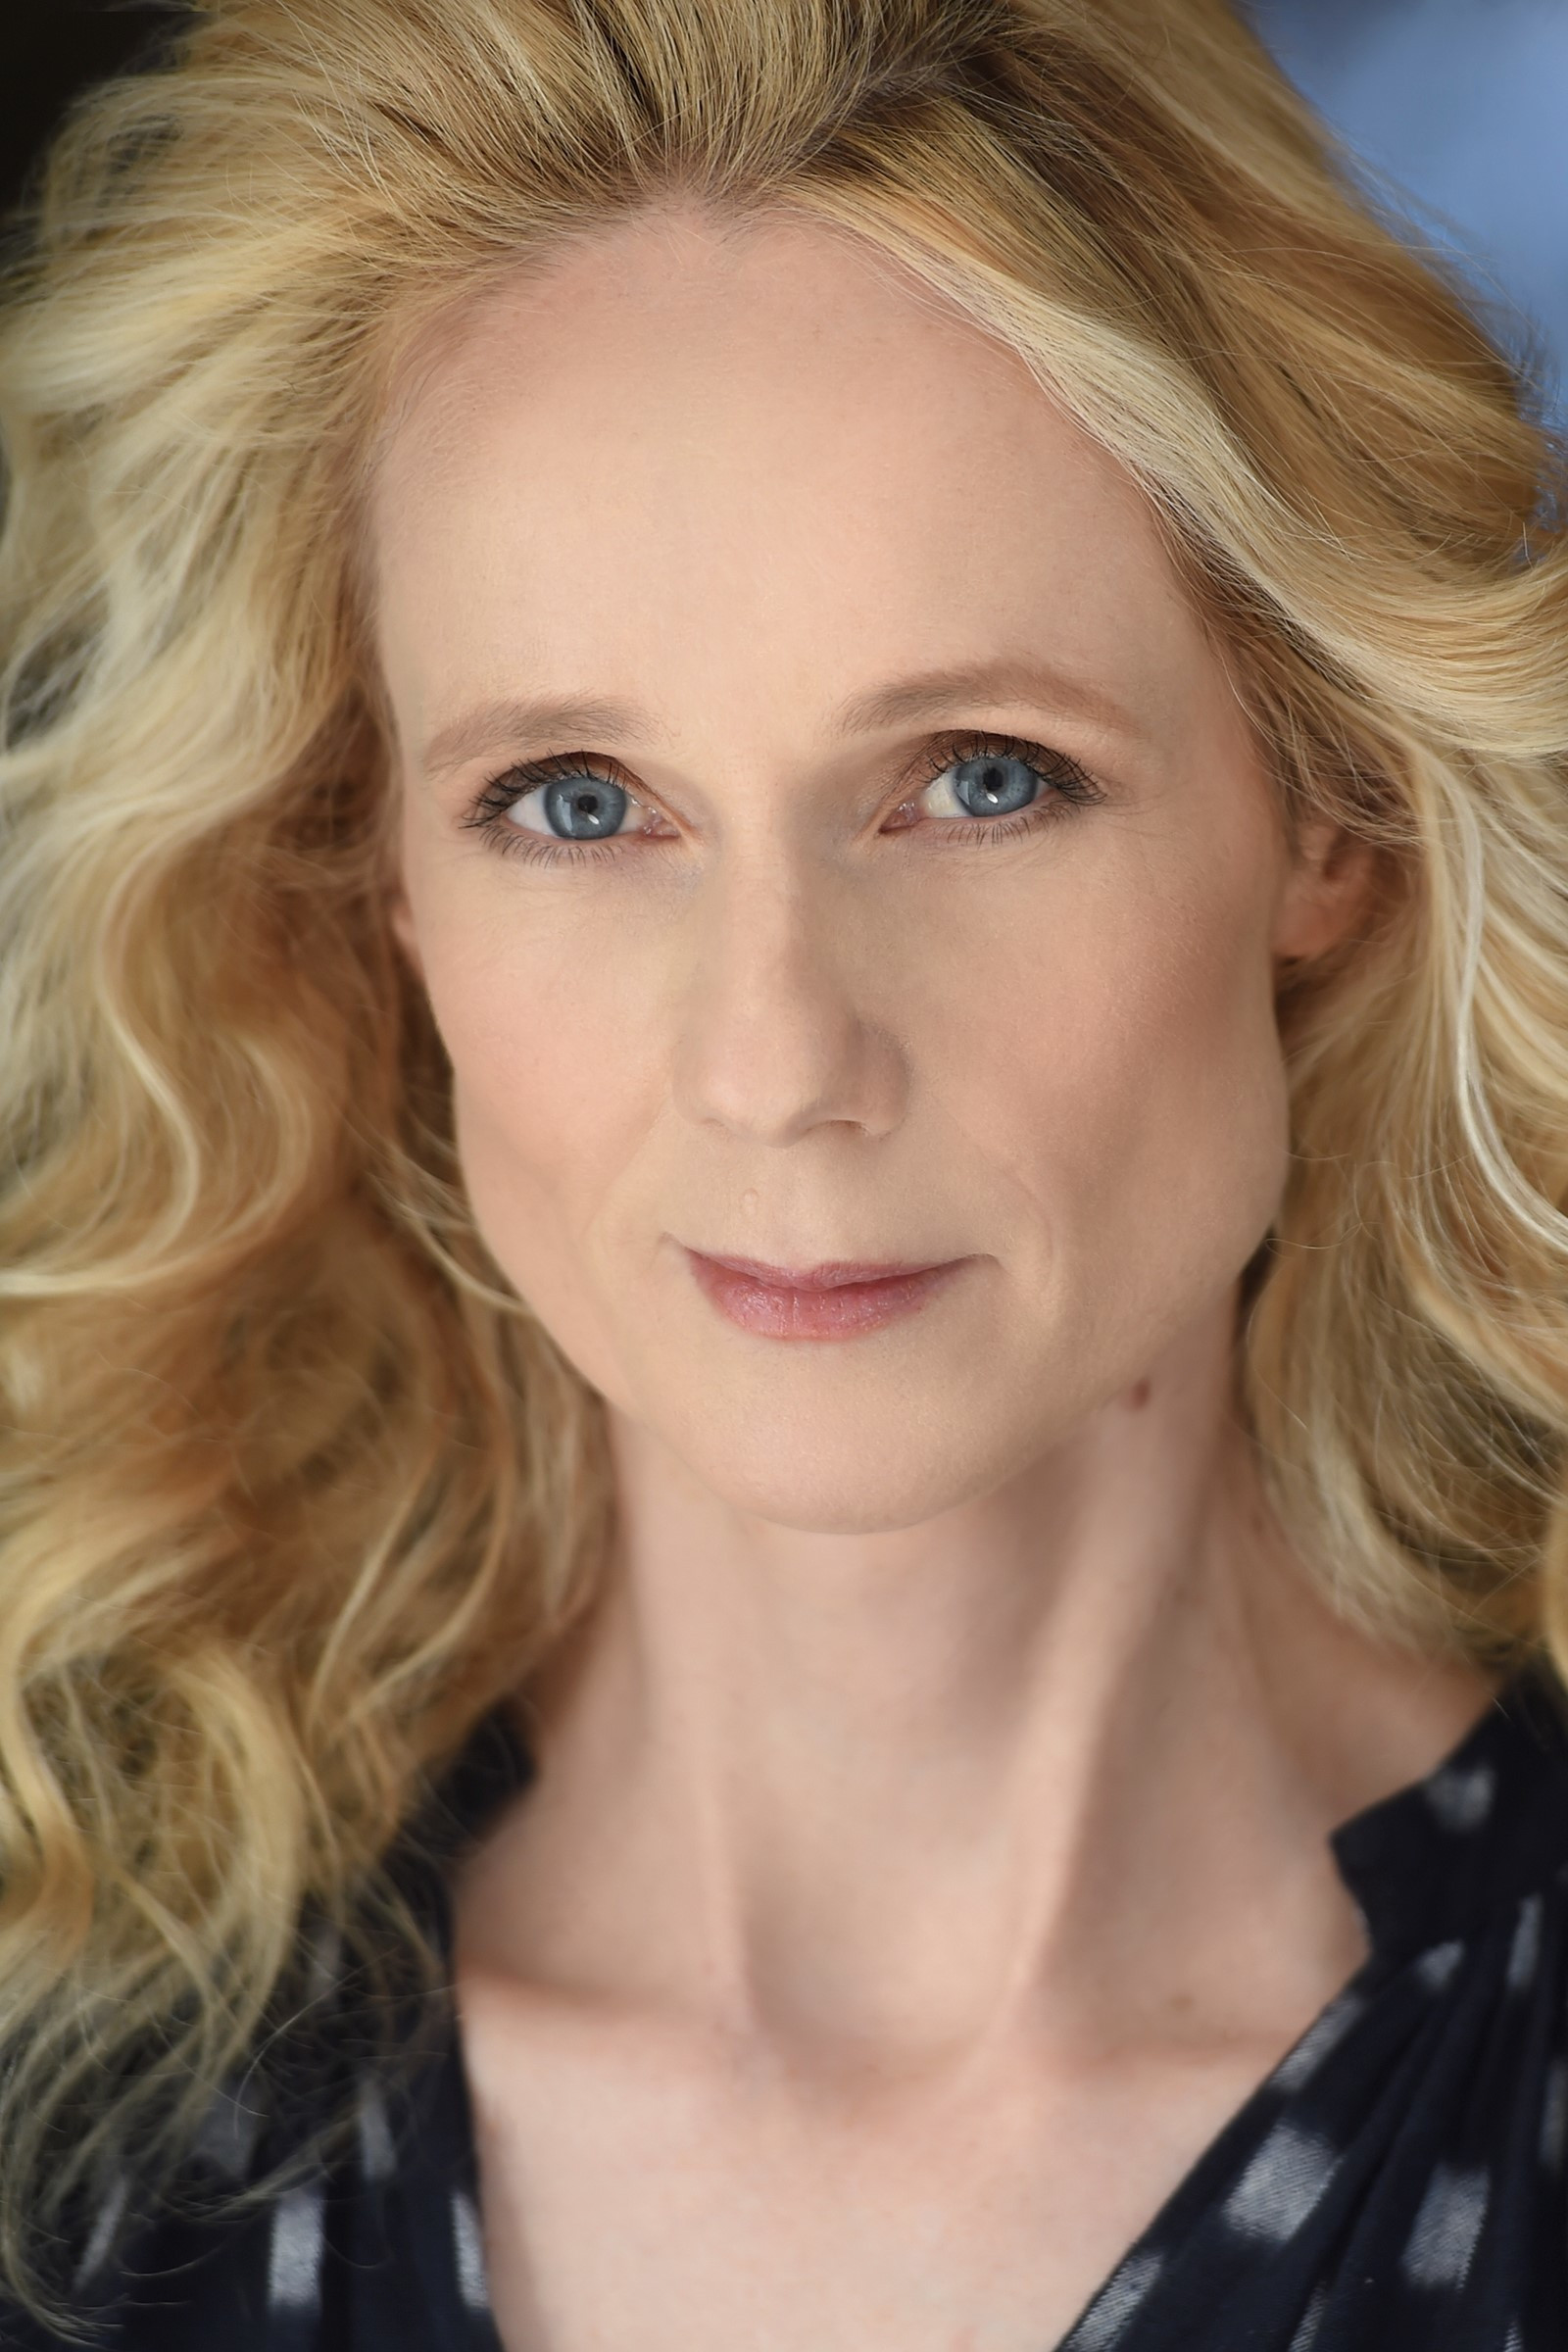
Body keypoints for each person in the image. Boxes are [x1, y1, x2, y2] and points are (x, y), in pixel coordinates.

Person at [1, 0, 1565, 2345]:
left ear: (1322, 812)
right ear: (380, 880)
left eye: (979, 778)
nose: (774, 1063)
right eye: (574, 805)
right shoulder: (80, 2119)